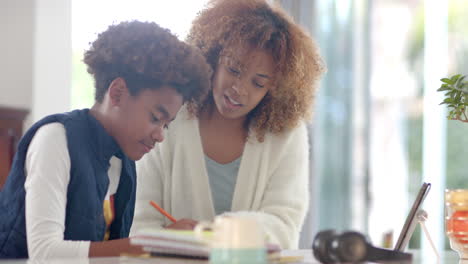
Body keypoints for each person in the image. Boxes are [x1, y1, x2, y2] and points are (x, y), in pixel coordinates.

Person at [0, 21, 211, 259]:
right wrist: (157, 241)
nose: (160, 135)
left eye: (166, 125)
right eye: (155, 117)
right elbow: (45, 253)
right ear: (118, 92)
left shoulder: (124, 159)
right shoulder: (55, 139)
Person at [132, 0, 325, 249]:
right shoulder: (171, 118)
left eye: (258, 83)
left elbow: (285, 226)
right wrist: (169, 235)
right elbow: (138, 225)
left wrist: (224, 231)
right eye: (234, 69)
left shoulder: (286, 133)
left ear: (275, 88)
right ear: (212, 56)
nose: (239, 89)